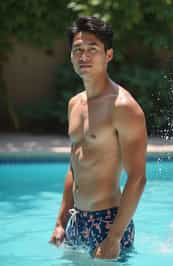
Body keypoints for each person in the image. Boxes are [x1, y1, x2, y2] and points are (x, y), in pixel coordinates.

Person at [49, 16, 147, 260]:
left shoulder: (123, 107)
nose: (84, 57)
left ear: (109, 55)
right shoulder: (74, 104)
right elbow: (75, 166)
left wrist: (113, 237)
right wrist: (61, 221)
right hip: (76, 221)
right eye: (78, 50)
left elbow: (137, 178)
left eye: (92, 49)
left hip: (108, 222)